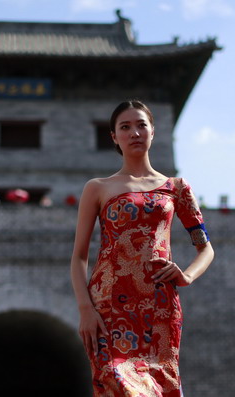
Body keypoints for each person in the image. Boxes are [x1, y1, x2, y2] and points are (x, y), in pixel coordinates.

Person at [70, 100, 214, 396]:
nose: (134, 132)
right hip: (108, 307)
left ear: (152, 131)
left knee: (159, 387)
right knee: (116, 380)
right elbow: (79, 257)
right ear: (114, 137)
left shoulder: (177, 188)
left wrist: (186, 276)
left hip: (160, 308)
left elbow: (206, 249)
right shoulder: (98, 187)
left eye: (141, 125)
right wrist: (85, 308)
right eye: (125, 127)